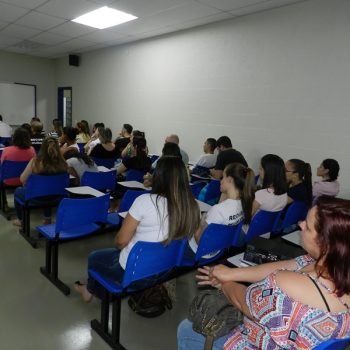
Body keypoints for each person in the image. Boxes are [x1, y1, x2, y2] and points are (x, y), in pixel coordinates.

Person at [178, 196, 350, 350]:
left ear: (326, 243)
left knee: (186, 329)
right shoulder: (330, 264)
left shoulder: (285, 283)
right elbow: (285, 265)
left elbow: (244, 302)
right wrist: (231, 273)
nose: (301, 224)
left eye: (308, 226)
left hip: (252, 342)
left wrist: (223, 283)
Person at [74, 156, 201, 302]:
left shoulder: (144, 201)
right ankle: (91, 290)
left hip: (133, 275)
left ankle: (92, 292)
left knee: (94, 257)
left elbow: (121, 242)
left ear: (158, 176)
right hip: (165, 269)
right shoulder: (193, 206)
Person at [188, 163, 255, 257]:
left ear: (230, 180)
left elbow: (199, 239)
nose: (220, 181)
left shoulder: (218, 210)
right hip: (218, 248)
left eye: (223, 177)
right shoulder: (244, 204)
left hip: (201, 251)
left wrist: (196, 222)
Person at [13, 137, 68, 227]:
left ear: (42, 148)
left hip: (35, 197)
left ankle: (21, 220)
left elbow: (22, 179)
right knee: (49, 190)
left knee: (18, 191)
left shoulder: (36, 161)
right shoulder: (63, 163)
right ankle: (47, 219)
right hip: (57, 197)